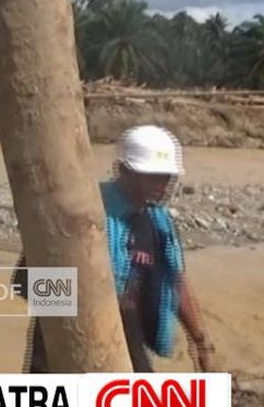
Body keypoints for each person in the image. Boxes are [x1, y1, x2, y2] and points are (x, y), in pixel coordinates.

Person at [22, 125, 214, 374]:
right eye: (153, 176)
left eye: (166, 176)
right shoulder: (82, 212)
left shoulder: (159, 223)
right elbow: (31, 281)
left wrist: (201, 341)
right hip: (65, 334)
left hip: (126, 332)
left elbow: (174, 279)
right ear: (125, 171)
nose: (162, 184)